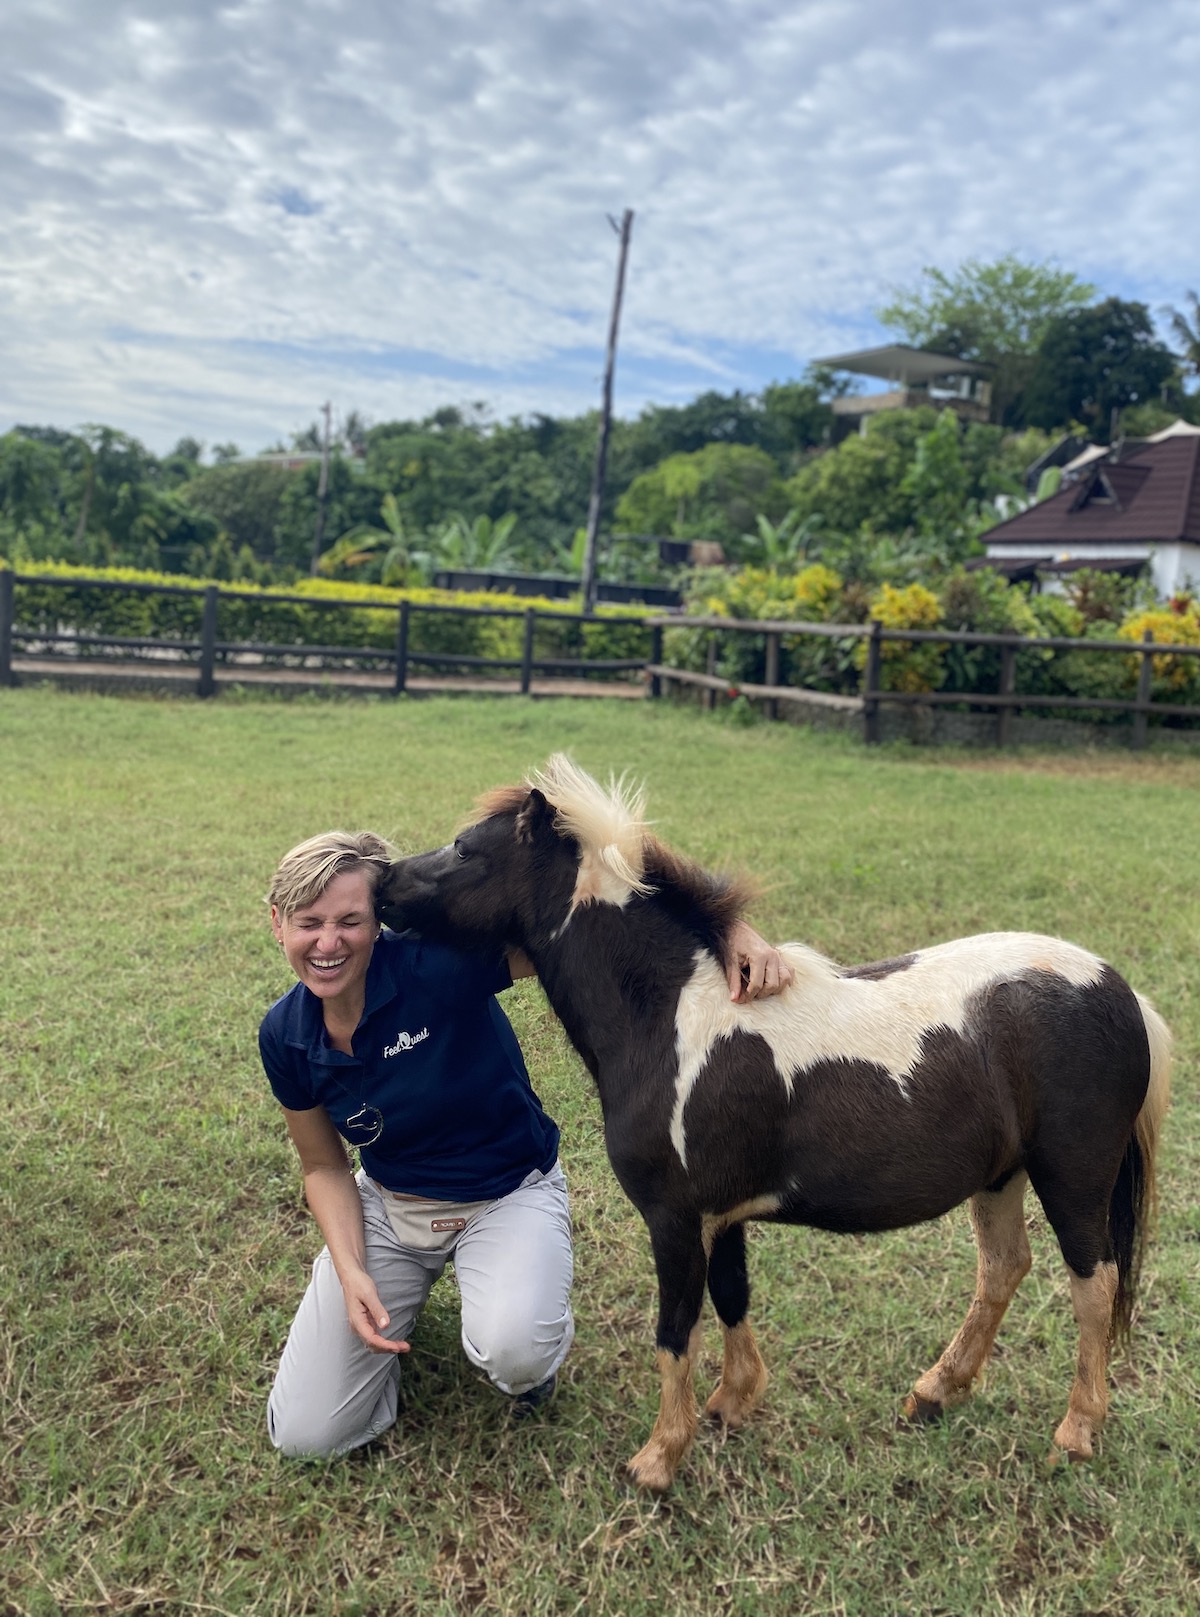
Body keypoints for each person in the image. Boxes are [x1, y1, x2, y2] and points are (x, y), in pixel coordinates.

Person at [261, 828, 793, 1458]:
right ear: (278, 924)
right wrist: (351, 1270)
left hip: (506, 1193)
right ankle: (388, 1324)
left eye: (350, 920)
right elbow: (324, 1166)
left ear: (377, 922)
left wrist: (730, 927)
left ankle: (527, 1336)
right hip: (389, 1205)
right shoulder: (285, 1034)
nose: (328, 943)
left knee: (516, 1353)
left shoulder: (435, 964)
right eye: (309, 923)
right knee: (306, 1435)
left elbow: (592, 895)